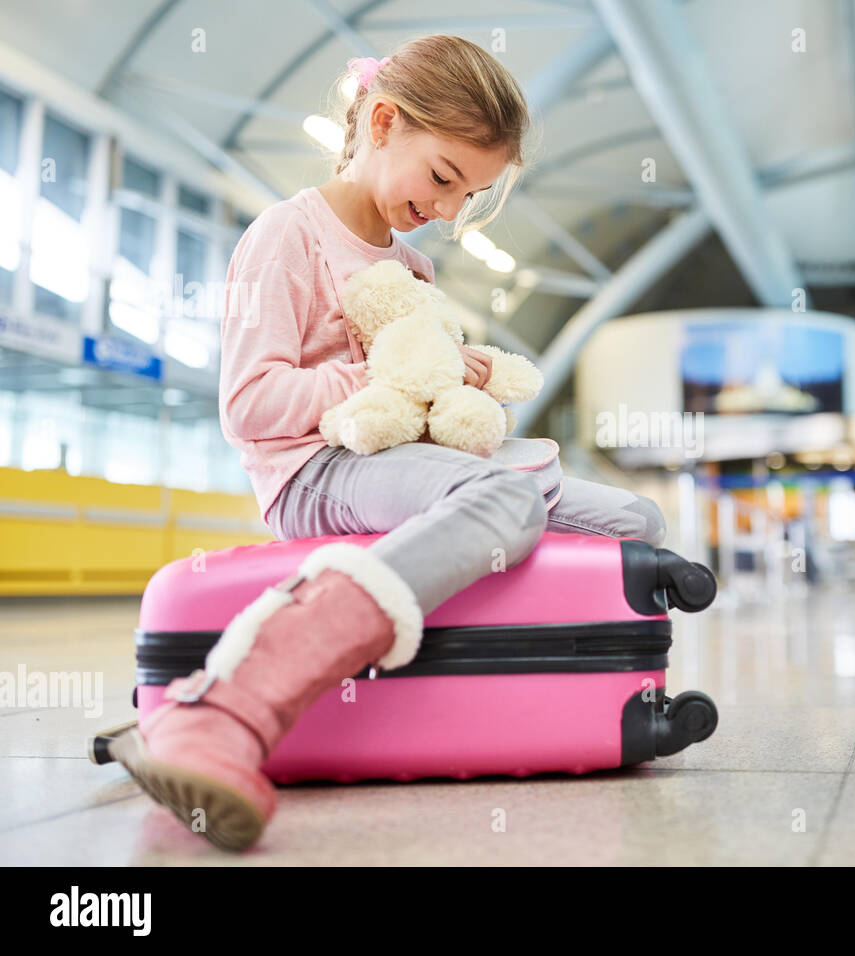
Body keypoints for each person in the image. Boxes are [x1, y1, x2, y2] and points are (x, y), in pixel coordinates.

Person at [110, 36, 667, 852]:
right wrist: (377, 381)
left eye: (468, 196)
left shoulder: (412, 268)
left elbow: (417, 395)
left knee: (634, 525)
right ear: (381, 121)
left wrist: (452, 382)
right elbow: (249, 406)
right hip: (314, 470)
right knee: (507, 497)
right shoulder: (285, 235)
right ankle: (231, 703)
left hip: (393, 462)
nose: (447, 211)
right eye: (443, 178)